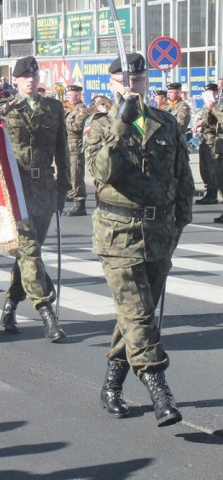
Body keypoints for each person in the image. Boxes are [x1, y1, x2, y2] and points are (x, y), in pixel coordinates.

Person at [84, 53, 193, 427]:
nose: (132, 85)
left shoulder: (165, 122)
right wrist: (120, 125)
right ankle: (159, 387)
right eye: (124, 79)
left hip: (159, 233)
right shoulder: (99, 124)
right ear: (112, 83)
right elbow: (101, 172)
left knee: (132, 317)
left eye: (138, 78)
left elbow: (182, 178)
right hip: (118, 233)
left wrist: (180, 222)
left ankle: (112, 385)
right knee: (140, 314)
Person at [0, 55, 70, 341]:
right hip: (15, 191)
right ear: (15, 80)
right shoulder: (3, 111)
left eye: (34, 75)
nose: (31, 80)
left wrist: (65, 189)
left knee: (29, 255)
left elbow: (63, 151)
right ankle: (47, 313)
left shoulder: (53, 108)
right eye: (25, 76)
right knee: (30, 252)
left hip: (44, 189)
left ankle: (10, 305)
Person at [64, 84, 90, 216]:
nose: (67, 97)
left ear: (78, 95)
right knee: (69, 172)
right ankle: (72, 195)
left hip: (76, 144)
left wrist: (63, 122)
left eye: (70, 95)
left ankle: (80, 204)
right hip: (69, 144)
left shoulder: (81, 109)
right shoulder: (71, 109)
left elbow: (78, 126)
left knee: (76, 174)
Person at [193, 83, 220, 205]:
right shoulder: (206, 106)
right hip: (204, 140)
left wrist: (212, 109)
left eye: (209, 92)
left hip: (214, 141)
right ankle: (209, 192)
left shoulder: (218, 104)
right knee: (204, 168)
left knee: (213, 169)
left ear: (215, 92)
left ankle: (213, 193)